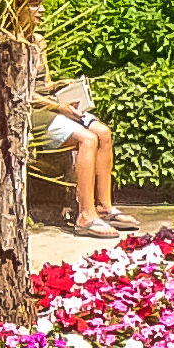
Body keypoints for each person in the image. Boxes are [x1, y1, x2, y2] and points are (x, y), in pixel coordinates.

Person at [42, 77, 128, 234]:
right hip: (35, 112)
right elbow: (22, 93)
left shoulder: (39, 52)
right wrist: (59, 107)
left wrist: (61, 85)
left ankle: (103, 207)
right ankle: (85, 216)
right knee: (88, 139)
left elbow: (45, 84)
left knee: (103, 133)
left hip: (53, 105)